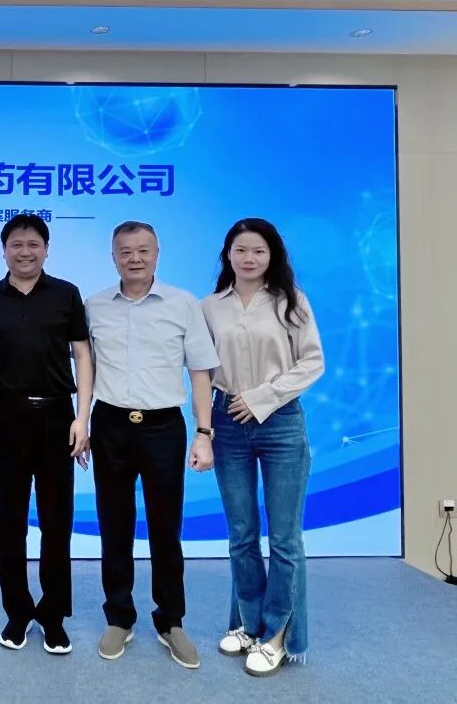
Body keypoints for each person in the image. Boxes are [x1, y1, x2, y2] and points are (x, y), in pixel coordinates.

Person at [85, 221, 220, 670]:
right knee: (114, 526)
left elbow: (200, 372)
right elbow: (83, 368)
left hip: (164, 427)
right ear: (113, 256)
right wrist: (81, 422)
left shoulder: (183, 304)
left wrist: (204, 433)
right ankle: (119, 617)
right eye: (125, 251)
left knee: (166, 528)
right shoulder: (94, 306)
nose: (135, 258)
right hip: (110, 424)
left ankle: (170, 621)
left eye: (143, 250)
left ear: (157, 254)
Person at [201, 218, 324, 676]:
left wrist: (262, 398)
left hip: (281, 423)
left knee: (285, 537)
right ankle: (248, 624)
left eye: (258, 251)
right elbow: (200, 369)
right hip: (227, 421)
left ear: (272, 256)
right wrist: (204, 426)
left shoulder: (291, 301)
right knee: (241, 532)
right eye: (240, 250)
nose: (249, 258)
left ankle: (278, 635)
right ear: (227, 255)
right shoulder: (210, 306)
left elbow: (313, 362)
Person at [0, 214, 93, 655]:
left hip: (57, 417)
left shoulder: (66, 294)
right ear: (4, 250)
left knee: (56, 521)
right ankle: (18, 611)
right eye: (16, 245)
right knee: (9, 523)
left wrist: (83, 417)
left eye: (33, 245)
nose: (25, 252)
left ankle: (53, 614)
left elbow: (82, 354)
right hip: (5, 417)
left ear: (46, 249)